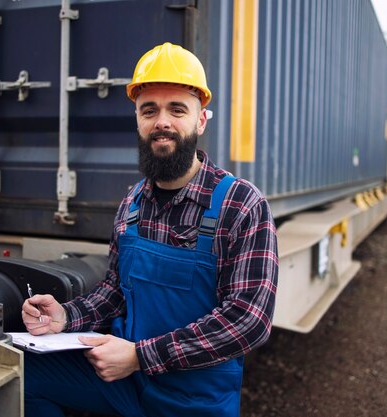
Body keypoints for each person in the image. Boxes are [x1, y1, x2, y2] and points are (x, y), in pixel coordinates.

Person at [21, 42, 278, 417]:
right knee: (22, 374)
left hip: (193, 399)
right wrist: (66, 316)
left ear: (201, 119)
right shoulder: (132, 203)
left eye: (177, 109)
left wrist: (141, 357)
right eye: (149, 110)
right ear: (138, 120)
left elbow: (248, 320)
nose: (162, 121)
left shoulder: (241, 204)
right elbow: (114, 292)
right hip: (127, 383)